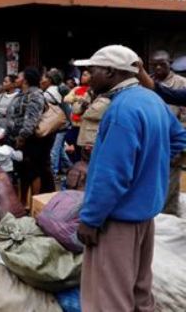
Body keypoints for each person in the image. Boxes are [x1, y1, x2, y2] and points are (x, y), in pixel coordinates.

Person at [74, 45, 186, 311]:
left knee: (108, 299)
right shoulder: (152, 100)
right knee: (139, 293)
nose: (89, 76)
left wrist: (90, 220)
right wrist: (151, 164)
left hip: (118, 220)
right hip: (145, 218)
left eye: (93, 70)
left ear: (111, 72)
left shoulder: (121, 110)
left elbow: (111, 176)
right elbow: (179, 137)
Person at [5, 68, 53, 202]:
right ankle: (23, 202)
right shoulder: (20, 95)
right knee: (22, 173)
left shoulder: (36, 95)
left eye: (19, 76)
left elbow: (31, 119)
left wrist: (22, 137)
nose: (16, 79)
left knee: (33, 172)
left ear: (25, 80)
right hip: (18, 139)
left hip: (31, 141)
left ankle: (33, 203)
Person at [150, 50, 186, 216]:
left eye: (162, 64)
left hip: (173, 142)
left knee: (170, 184)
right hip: (151, 140)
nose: (158, 68)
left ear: (170, 63)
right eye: (154, 65)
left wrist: (182, 149)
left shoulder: (181, 83)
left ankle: (169, 218)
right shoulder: (148, 81)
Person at [42, 68, 71, 177]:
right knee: (60, 149)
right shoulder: (60, 88)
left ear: (50, 79)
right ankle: (70, 168)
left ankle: (53, 173)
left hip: (57, 124)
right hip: (64, 123)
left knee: (54, 150)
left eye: (45, 77)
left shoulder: (50, 91)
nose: (42, 79)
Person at [63, 70, 91, 162]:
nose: (82, 77)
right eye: (82, 75)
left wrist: (78, 100)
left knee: (83, 151)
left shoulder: (92, 90)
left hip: (85, 125)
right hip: (75, 124)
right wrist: (78, 98)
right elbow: (67, 99)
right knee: (70, 142)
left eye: (85, 75)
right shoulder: (76, 89)